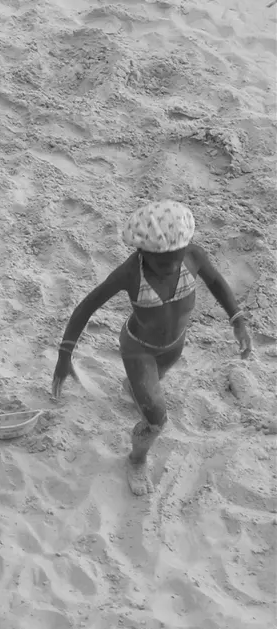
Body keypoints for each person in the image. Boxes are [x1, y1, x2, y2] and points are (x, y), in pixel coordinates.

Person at [52, 200, 252, 496]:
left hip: (175, 345)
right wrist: (65, 354)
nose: (170, 266)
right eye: (161, 262)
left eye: (176, 257)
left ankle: (134, 388)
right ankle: (137, 459)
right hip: (139, 349)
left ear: (185, 245)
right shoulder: (131, 273)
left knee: (151, 384)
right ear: (141, 251)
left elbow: (217, 283)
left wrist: (237, 320)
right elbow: (86, 306)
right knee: (156, 420)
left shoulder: (194, 256)